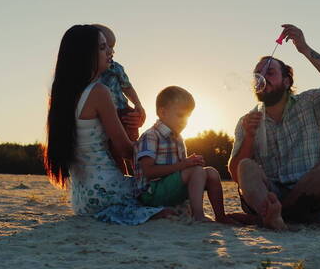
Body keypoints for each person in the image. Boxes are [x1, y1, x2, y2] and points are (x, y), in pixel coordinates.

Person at [228, 24, 320, 230]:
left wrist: (304, 48)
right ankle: (273, 216)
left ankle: (276, 217)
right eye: (257, 74)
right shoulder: (248, 120)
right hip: (267, 197)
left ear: (286, 82)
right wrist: (249, 137)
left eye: (270, 72)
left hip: (309, 199)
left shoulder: (310, 103)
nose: (262, 77)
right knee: (245, 166)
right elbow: (236, 175)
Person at [44, 25, 167, 225]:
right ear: (86, 54)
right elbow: (125, 150)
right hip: (107, 192)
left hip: (82, 200)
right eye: (102, 48)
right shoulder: (99, 92)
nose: (110, 52)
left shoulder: (63, 95)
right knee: (178, 188)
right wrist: (155, 146)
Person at [134, 86, 235, 223]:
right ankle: (198, 215)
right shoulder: (151, 136)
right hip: (151, 193)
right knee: (196, 171)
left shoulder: (178, 139)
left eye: (188, 116)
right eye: (180, 115)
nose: (184, 121)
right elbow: (148, 172)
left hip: (170, 189)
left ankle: (221, 216)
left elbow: (182, 170)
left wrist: (191, 163)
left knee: (211, 172)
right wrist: (186, 164)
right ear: (163, 113)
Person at [92, 24, 145, 176]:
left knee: (132, 146)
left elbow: (127, 87)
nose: (112, 51)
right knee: (113, 150)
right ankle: (123, 176)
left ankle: (139, 176)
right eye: (105, 46)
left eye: (112, 47)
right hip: (105, 115)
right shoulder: (90, 76)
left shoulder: (116, 68)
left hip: (123, 112)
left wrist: (138, 104)